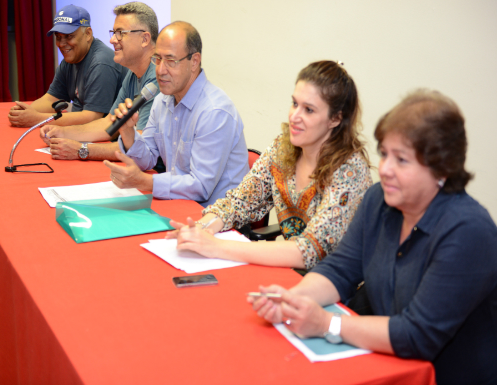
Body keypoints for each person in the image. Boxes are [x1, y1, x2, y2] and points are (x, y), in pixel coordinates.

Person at [250, 90, 497, 385]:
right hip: (382, 362)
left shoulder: (469, 231)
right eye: (384, 154)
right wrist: (293, 299)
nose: (385, 169)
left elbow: (418, 335)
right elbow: (340, 268)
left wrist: (327, 324)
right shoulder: (379, 200)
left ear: (441, 168)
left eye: (402, 160)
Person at [166, 61, 372, 270]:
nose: (294, 116)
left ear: (335, 119)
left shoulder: (350, 171)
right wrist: (200, 229)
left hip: (337, 290)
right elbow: (238, 203)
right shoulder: (282, 150)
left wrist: (216, 247)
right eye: (294, 103)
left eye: (309, 110)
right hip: (291, 274)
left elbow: (308, 250)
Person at [103, 21, 248, 207]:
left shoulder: (215, 111)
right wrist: (128, 131)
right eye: (157, 59)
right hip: (179, 204)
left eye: (170, 61)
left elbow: (201, 187)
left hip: (217, 219)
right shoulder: (161, 100)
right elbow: (146, 159)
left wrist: (146, 182)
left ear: (194, 62)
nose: (160, 70)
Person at [39, 2, 159, 162]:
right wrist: (61, 132)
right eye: (113, 32)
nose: (112, 40)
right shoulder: (132, 73)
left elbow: (141, 147)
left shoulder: (159, 78)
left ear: (145, 39)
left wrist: (82, 150)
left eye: (120, 33)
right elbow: (110, 124)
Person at [8, 4, 127, 128]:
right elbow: (51, 99)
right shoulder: (70, 59)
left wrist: (36, 119)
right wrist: (25, 112)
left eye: (69, 36)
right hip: (84, 132)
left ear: (88, 34)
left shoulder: (101, 63)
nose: (62, 44)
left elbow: (92, 117)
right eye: (58, 37)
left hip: (108, 138)